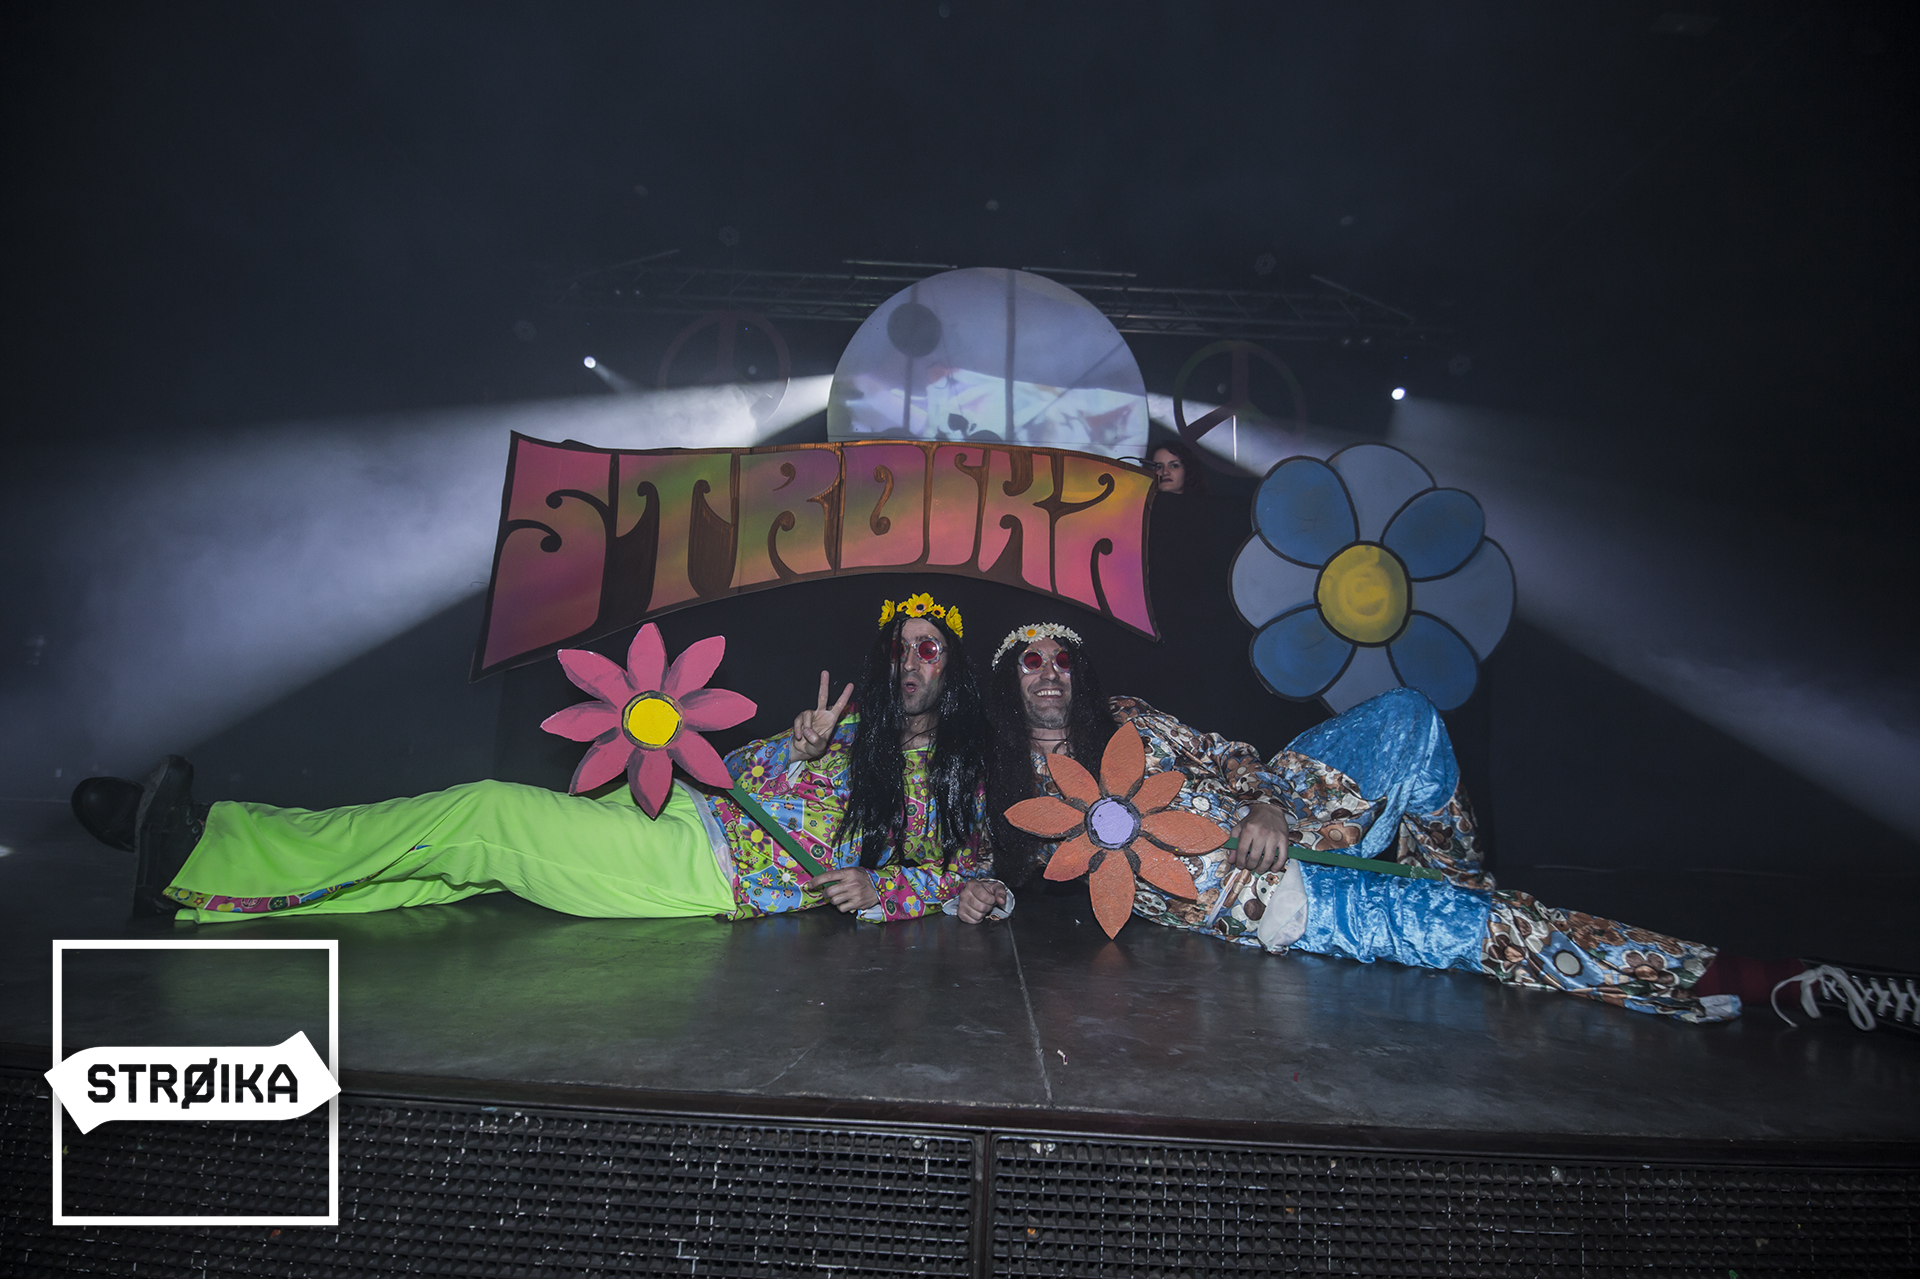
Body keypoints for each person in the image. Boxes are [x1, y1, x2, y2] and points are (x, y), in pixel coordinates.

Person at [985, 621, 1920, 1031]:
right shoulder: (1007, 783)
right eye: (1031, 663)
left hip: (1293, 814)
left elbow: (1228, 753)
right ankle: (1772, 983)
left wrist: (1267, 800)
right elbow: (962, 845)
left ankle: (1456, 875)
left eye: (1062, 659)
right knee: (1506, 933)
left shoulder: (1133, 718)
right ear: (1008, 684)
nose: (1051, 672)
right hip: (1285, 898)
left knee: (1408, 714)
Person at [69, 591, 1010, 929]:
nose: (909, 660)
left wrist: (878, 888)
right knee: (453, 861)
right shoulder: (844, 729)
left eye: (928, 647)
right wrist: (797, 750)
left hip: (703, 869)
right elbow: (737, 776)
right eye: (898, 646)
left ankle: (203, 847)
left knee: (483, 815)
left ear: (953, 671)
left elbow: (978, 882)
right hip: (681, 813)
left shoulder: (955, 779)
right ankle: (210, 891)